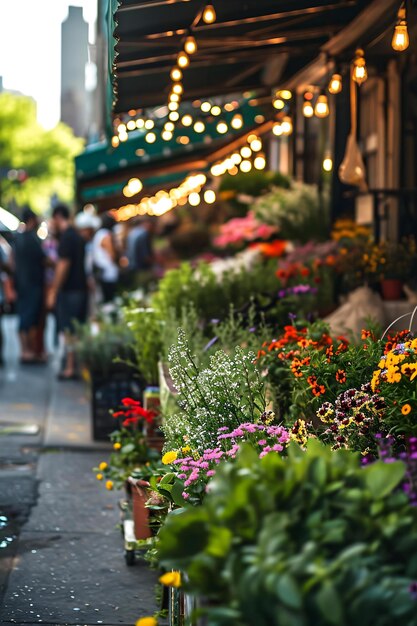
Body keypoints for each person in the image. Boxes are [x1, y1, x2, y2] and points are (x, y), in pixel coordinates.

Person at [47, 204, 88, 380]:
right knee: (76, 329)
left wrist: (53, 291)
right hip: (80, 289)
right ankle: (76, 365)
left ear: (57, 217)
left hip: (70, 290)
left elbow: (63, 265)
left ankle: (71, 367)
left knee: (69, 329)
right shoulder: (76, 236)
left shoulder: (67, 238)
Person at [12, 208, 46, 363]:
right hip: (33, 284)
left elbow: (12, 262)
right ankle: (30, 351)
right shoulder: (33, 238)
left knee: (22, 318)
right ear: (32, 219)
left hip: (21, 283)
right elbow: (43, 259)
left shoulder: (17, 238)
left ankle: (24, 351)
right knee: (31, 319)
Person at [92, 214, 119, 302]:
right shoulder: (106, 235)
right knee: (109, 299)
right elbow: (112, 254)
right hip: (109, 272)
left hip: (102, 271)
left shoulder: (98, 234)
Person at [125, 216, 156, 289]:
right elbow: (145, 255)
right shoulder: (143, 233)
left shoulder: (131, 233)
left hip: (134, 268)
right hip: (143, 268)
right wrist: (155, 264)